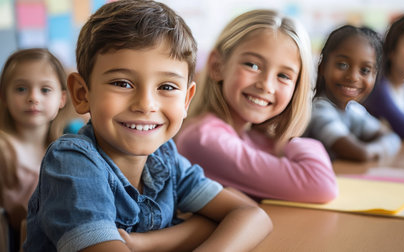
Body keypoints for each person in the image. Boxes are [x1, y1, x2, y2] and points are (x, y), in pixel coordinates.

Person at [24, 1, 272, 252]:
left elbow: (252, 215)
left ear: (186, 99)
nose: (146, 105)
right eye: (122, 83)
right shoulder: (72, 161)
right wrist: (199, 228)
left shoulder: (165, 159)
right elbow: (222, 221)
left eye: (166, 87)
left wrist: (142, 244)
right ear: (81, 93)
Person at [175, 9, 338, 203]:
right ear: (218, 66)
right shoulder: (203, 138)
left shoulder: (252, 136)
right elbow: (321, 185)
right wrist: (291, 140)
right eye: (252, 65)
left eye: (284, 76)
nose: (266, 85)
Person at [0, 48, 70, 251]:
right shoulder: (4, 148)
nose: (33, 97)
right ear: (4, 96)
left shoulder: (66, 150)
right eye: (21, 89)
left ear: (62, 99)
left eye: (45, 90)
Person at [305, 25, 401, 162]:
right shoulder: (319, 111)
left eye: (365, 70)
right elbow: (360, 153)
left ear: (375, 76)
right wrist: (374, 150)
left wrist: (372, 151)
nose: (353, 77)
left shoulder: (353, 110)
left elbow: (392, 137)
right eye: (342, 65)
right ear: (322, 67)